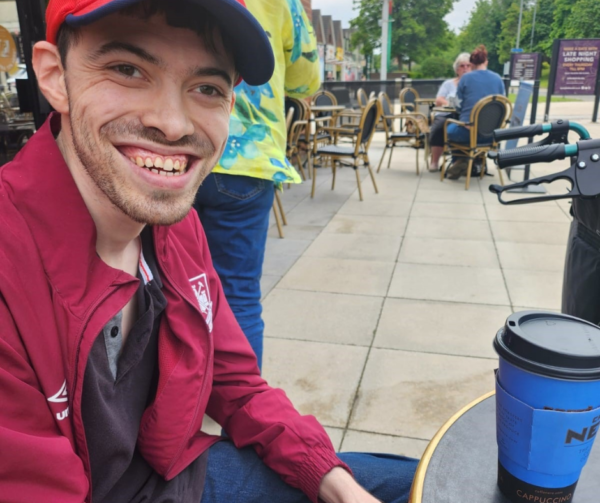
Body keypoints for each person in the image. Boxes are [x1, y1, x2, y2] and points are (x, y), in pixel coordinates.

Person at [0, 0, 419, 502]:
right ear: (54, 76)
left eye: (207, 88)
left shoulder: (177, 229)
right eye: (128, 70)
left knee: (427, 482)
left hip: (179, 479)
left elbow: (236, 381)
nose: (174, 124)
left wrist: (332, 482)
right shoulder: (11, 264)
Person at [193, 0, 319, 370]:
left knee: (163, 287)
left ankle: (171, 409)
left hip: (171, 150)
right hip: (247, 157)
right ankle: (239, 413)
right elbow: (306, 80)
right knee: (239, 294)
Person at [446, 44, 505, 180]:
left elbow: (458, 106)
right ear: (486, 62)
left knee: (449, 128)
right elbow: (502, 103)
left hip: (468, 133)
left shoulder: (465, 78)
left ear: (471, 64)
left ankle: (459, 160)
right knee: (470, 132)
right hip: (492, 135)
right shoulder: (497, 78)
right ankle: (474, 161)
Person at [428, 52, 471, 172]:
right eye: (462, 66)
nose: (465, 68)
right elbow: (439, 99)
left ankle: (459, 162)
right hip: (447, 113)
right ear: (457, 69)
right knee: (439, 126)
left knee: (464, 127)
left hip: (464, 115)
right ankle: (435, 161)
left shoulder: (473, 85)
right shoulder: (448, 84)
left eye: (468, 65)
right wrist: (449, 104)